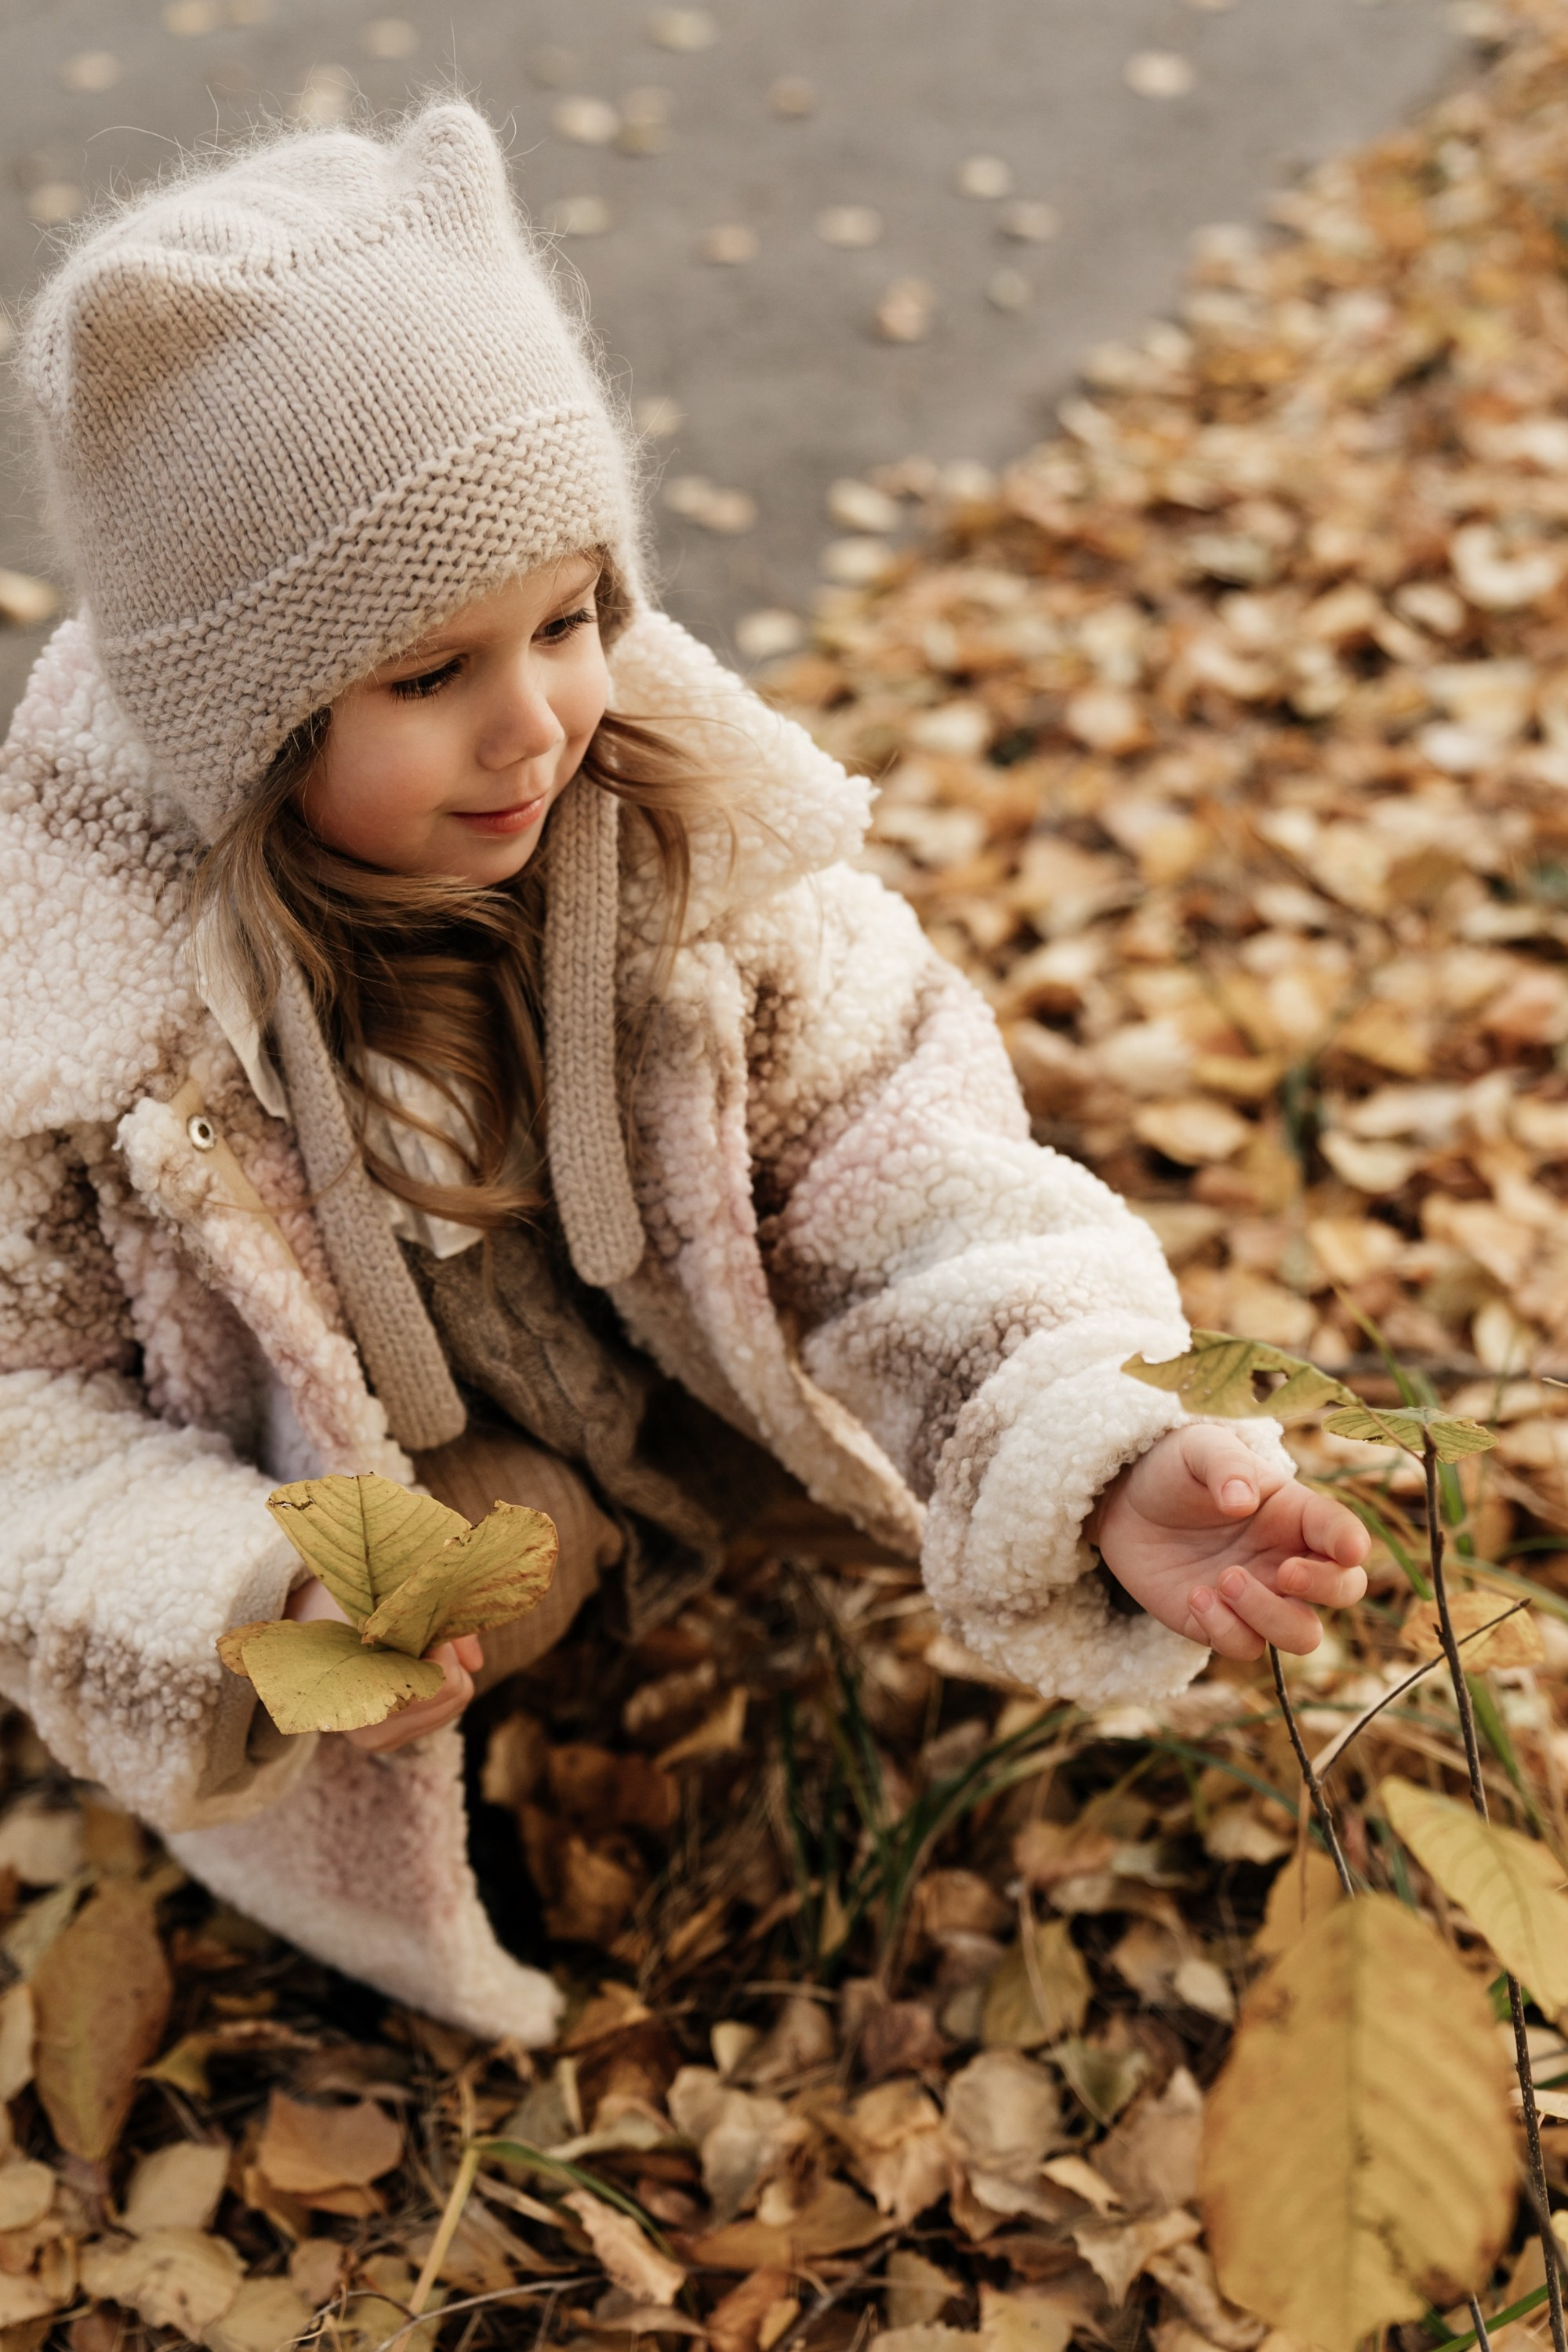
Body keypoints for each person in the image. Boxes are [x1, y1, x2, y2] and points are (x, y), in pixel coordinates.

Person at [0, 103, 1367, 2045]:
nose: (532, 724)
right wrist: (243, 1605)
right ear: (251, 722)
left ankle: (655, 1528)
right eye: (424, 676)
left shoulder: (687, 871)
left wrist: (1102, 1430)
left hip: (679, 1419)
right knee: (513, 1540)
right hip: (373, 1520)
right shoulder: (93, 1043)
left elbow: (912, 1164)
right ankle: (481, 1659)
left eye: (566, 624)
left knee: (673, 1427)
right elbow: (21, 1418)